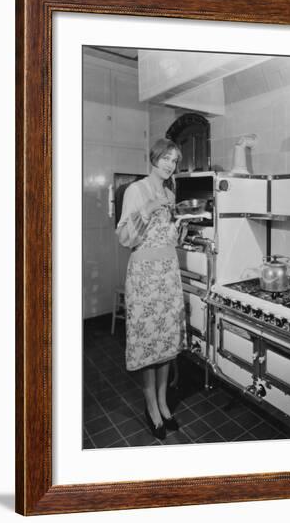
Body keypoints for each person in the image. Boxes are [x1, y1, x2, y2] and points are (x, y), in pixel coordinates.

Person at [116, 138, 186, 440]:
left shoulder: (171, 192)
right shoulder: (136, 190)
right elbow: (124, 238)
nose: (170, 164)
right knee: (149, 343)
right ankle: (151, 406)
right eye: (166, 158)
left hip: (168, 272)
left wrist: (180, 227)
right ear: (154, 158)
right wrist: (148, 207)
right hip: (144, 275)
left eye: (174, 160)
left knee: (165, 343)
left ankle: (163, 403)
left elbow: (168, 239)